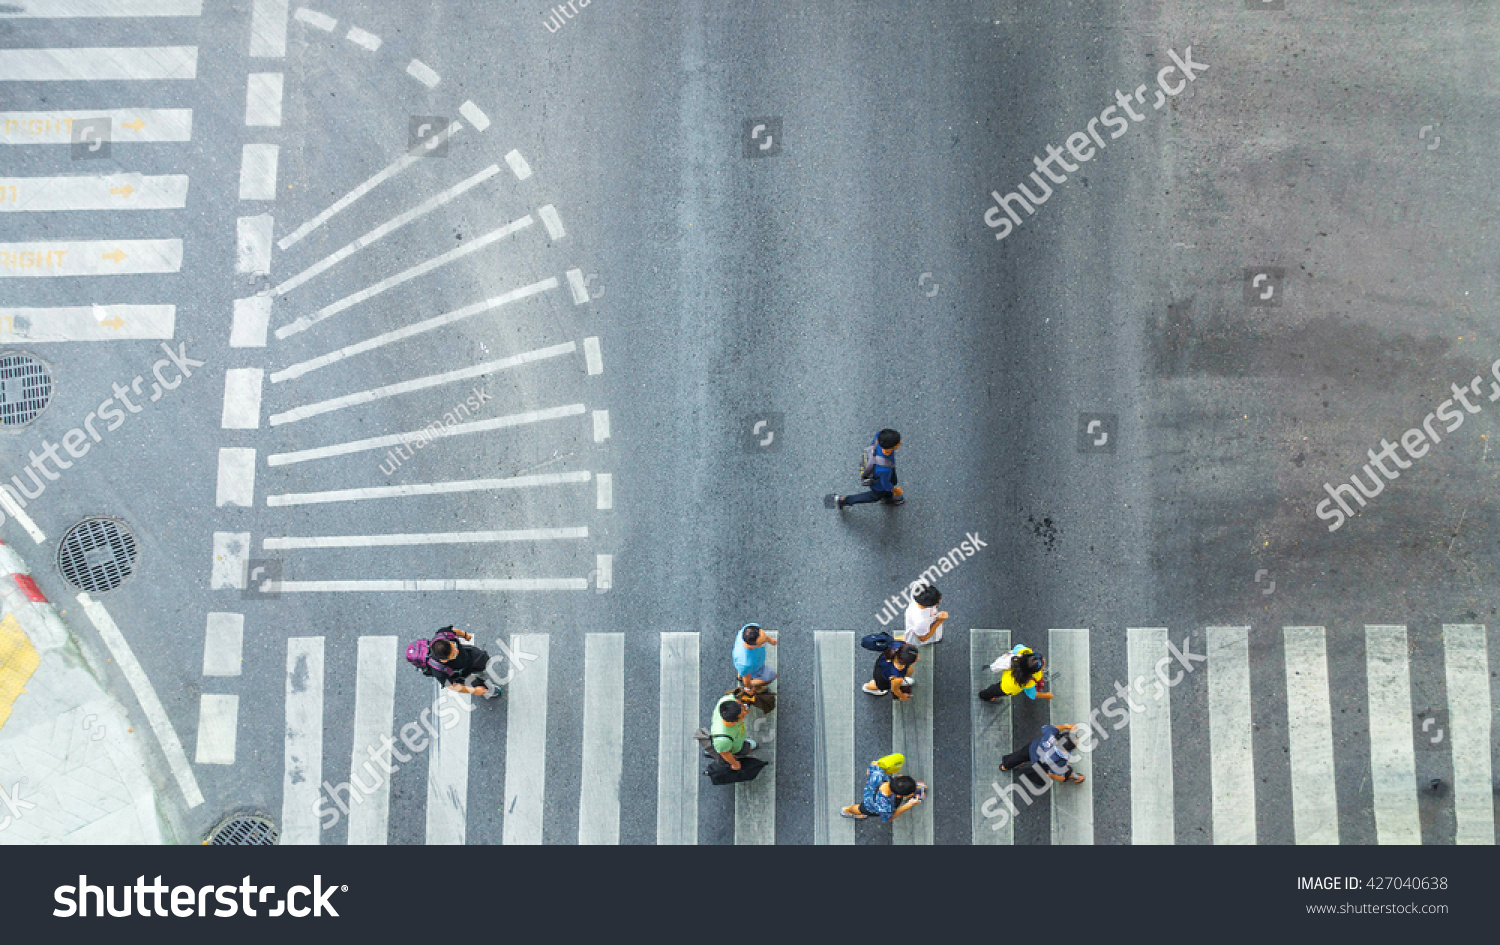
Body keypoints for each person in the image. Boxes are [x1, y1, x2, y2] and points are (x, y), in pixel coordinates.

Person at [835, 428, 904, 509]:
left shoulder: (879, 438)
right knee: (874, 496)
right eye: (897, 443)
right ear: (889, 448)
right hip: (879, 484)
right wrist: (894, 490)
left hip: (880, 468)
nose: (900, 443)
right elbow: (885, 484)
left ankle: (887, 497)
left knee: (893, 480)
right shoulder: (884, 469)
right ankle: (844, 500)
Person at [840, 759, 926, 821]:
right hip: (871, 805)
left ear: (899, 776)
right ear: (898, 795)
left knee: (861, 808)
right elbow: (890, 817)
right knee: (861, 809)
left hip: (872, 792)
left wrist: (876, 764)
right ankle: (847, 810)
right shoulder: (884, 806)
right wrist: (909, 805)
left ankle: (908, 790)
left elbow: (871, 768)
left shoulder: (878, 774)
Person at [1000, 723, 1085, 784]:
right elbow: (1052, 774)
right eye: (1076, 744)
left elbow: (1054, 727)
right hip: (1041, 763)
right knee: (1063, 772)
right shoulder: (1062, 759)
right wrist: (1061, 778)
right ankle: (1073, 777)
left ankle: (1005, 765)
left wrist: (1067, 726)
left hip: (1034, 748)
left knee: (1019, 755)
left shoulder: (1051, 734)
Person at [431, 628, 501, 699]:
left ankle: (478, 669)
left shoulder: (443, 634)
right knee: (477, 685)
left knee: (483, 659)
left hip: (468, 655)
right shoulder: (439, 672)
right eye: (454, 654)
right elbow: (452, 686)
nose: (457, 651)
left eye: (454, 646)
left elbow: (453, 631)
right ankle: (489, 689)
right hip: (459, 673)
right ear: (444, 660)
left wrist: (464, 635)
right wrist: (474, 691)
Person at [978, 644, 1052, 702]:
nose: (1044, 659)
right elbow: (1032, 694)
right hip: (1007, 686)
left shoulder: (1024, 652)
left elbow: (1018, 647)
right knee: (994, 690)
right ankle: (984, 696)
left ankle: (987, 695)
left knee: (995, 689)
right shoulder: (1028, 682)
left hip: (1007, 683)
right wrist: (1046, 696)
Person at [710, 693, 757, 771]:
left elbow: (737, 700)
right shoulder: (722, 740)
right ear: (733, 722)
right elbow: (725, 754)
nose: (746, 710)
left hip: (737, 737)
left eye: (743, 707)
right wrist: (735, 764)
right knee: (745, 749)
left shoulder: (727, 701)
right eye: (742, 715)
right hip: (735, 746)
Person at [733, 623, 778, 692]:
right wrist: (749, 688)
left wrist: (769, 640)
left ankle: (741, 675)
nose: (765, 641)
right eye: (763, 642)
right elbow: (746, 679)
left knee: (744, 672)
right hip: (755, 668)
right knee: (772, 676)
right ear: (751, 646)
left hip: (744, 665)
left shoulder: (749, 629)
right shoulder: (746, 663)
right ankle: (751, 683)